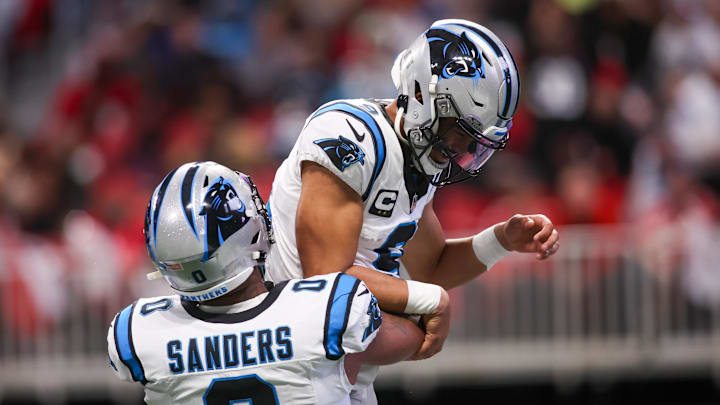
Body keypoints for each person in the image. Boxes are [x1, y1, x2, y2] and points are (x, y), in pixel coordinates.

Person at [266, 19, 560, 403]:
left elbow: (431, 268)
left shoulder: (415, 163)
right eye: (459, 132)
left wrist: (501, 239)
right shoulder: (348, 137)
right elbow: (326, 279)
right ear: (423, 92)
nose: (460, 150)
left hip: (335, 373)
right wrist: (427, 302)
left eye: (474, 143)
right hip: (289, 365)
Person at [107, 162, 423, 405]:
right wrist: (425, 300)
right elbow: (412, 338)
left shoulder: (137, 332)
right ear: (248, 234)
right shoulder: (327, 308)